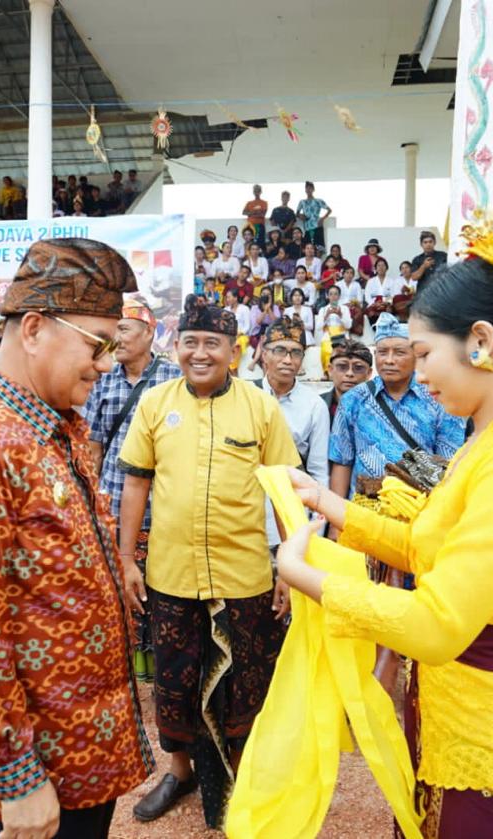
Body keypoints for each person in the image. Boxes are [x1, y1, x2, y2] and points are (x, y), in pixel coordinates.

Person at [275, 231, 493, 836]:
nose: (418, 372)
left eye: (424, 354)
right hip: (461, 725)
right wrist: (328, 503)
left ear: (480, 341)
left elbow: (435, 622)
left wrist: (308, 578)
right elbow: (430, 547)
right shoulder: (488, 438)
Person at [0, 239, 155, 839]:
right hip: (40, 765)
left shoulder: (58, 429)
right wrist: (14, 777)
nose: (103, 364)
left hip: (80, 745)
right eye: (97, 346)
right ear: (36, 329)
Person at [117, 298, 299, 830]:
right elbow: (135, 483)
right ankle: (178, 771)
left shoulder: (261, 407)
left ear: (234, 352)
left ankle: (244, 778)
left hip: (243, 576)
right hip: (171, 574)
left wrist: (288, 565)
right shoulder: (154, 403)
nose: (200, 353)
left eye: (212, 343)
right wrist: (128, 558)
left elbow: (285, 489)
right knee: (174, 679)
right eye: (190, 341)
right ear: (176, 347)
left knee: (246, 681)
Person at [85, 298, 180, 683]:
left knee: (161, 589)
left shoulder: (173, 379)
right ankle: (123, 667)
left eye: (123, 330)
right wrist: (91, 500)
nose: (116, 339)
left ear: (149, 333)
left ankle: (160, 670)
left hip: (163, 505)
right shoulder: (102, 378)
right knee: (116, 587)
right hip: (112, 499)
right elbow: (92, 447)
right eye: (112, 332)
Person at [328, 312, 464, 500]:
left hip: (418, 511)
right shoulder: (353, 400)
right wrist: (337, 524)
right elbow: (342, 462)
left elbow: (449, 468)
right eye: (382, 352)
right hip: (363, 512)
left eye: (399, 352)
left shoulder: (439, 399)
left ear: (416, 356)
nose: (389, 360)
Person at [257, 317, 331, 552]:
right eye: (280, 350)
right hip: (245, 523)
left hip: (291, 524)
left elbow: (319, 473)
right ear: (264, 352)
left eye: (296, 353)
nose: (288, 360)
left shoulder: (313, 405)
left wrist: (314, 530)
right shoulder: (246, 394)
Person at [322, 339, 373, 421]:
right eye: (342, 367)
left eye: (358, 368)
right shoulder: (315, 405)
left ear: (369, 373)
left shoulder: (380, 408)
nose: (349, 373)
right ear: (330, 370)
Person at [296, 181, 331, 250]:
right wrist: (301, 216)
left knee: (319, 248)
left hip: (317, 226)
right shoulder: (302, 202)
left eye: (310, 188)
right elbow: (297, 213)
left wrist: (322, 218)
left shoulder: (318, 201)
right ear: (305, 190)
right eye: (307, 188)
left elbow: (329, 210)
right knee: (308, 248)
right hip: (307, 228)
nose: (308, 190)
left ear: (313, 189)